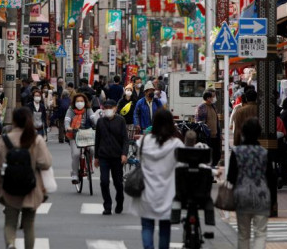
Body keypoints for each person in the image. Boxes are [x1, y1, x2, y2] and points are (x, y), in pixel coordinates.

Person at [0, 107, 52, 249]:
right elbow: (46, 163)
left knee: (10, 223)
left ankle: (10, 243)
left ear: (13, 121)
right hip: (31, 187)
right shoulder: (35, 139)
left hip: (10, 187)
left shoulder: (5, 140)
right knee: (29, 225)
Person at [129, 110, 183, 249]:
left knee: (147, 226)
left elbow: (140, 161)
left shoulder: (144, 141)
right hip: (167, 193)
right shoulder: (176, 144)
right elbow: (183, 164)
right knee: (165, 229)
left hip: (147, 191)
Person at [228, 118, 275, 249]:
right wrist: (273, 201)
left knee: (243, 234)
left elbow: (231, 177)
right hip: (262, 196)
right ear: (258, 133)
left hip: (242, 196)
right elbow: (271, 179)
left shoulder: (236, 152)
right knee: (260, 233)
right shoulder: (265, 153)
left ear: (243, 132)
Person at [94, 99, 128, 215]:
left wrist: (124, 154)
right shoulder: (100, 122)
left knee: (118, 182)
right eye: (106, 108)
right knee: (104, 181)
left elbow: (125, 139)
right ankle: (107, 206)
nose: (108, 110)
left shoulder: (121, 121)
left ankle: (120, 201)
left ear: (115, 109)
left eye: (110, 108)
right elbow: (97, 139)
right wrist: (96, 157)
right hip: (104, 156)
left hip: (117, 156)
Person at [64, 93, 96, 183]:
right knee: (76, 154)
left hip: (87, 134)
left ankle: (89, 167)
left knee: (92, 150)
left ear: (85, 102)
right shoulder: (70, 110)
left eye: (81, 101)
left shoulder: (88, 110)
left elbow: (93, 118)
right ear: (74, 102)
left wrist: (99, 124)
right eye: (77, 101)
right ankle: (74, 174)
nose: (80, 103)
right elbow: (67, 120)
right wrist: (68, 127)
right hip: (74, 135)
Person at [195, 91, 220, 166]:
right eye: (212, 97)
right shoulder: (202, 107)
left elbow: (216, 120)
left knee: (216, 154)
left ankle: (213, 165)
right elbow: (200, 123)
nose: (213, 98)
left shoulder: (213, 106)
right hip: (206, 136)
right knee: (208, 154)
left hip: (215, 135)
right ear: (208, 98)